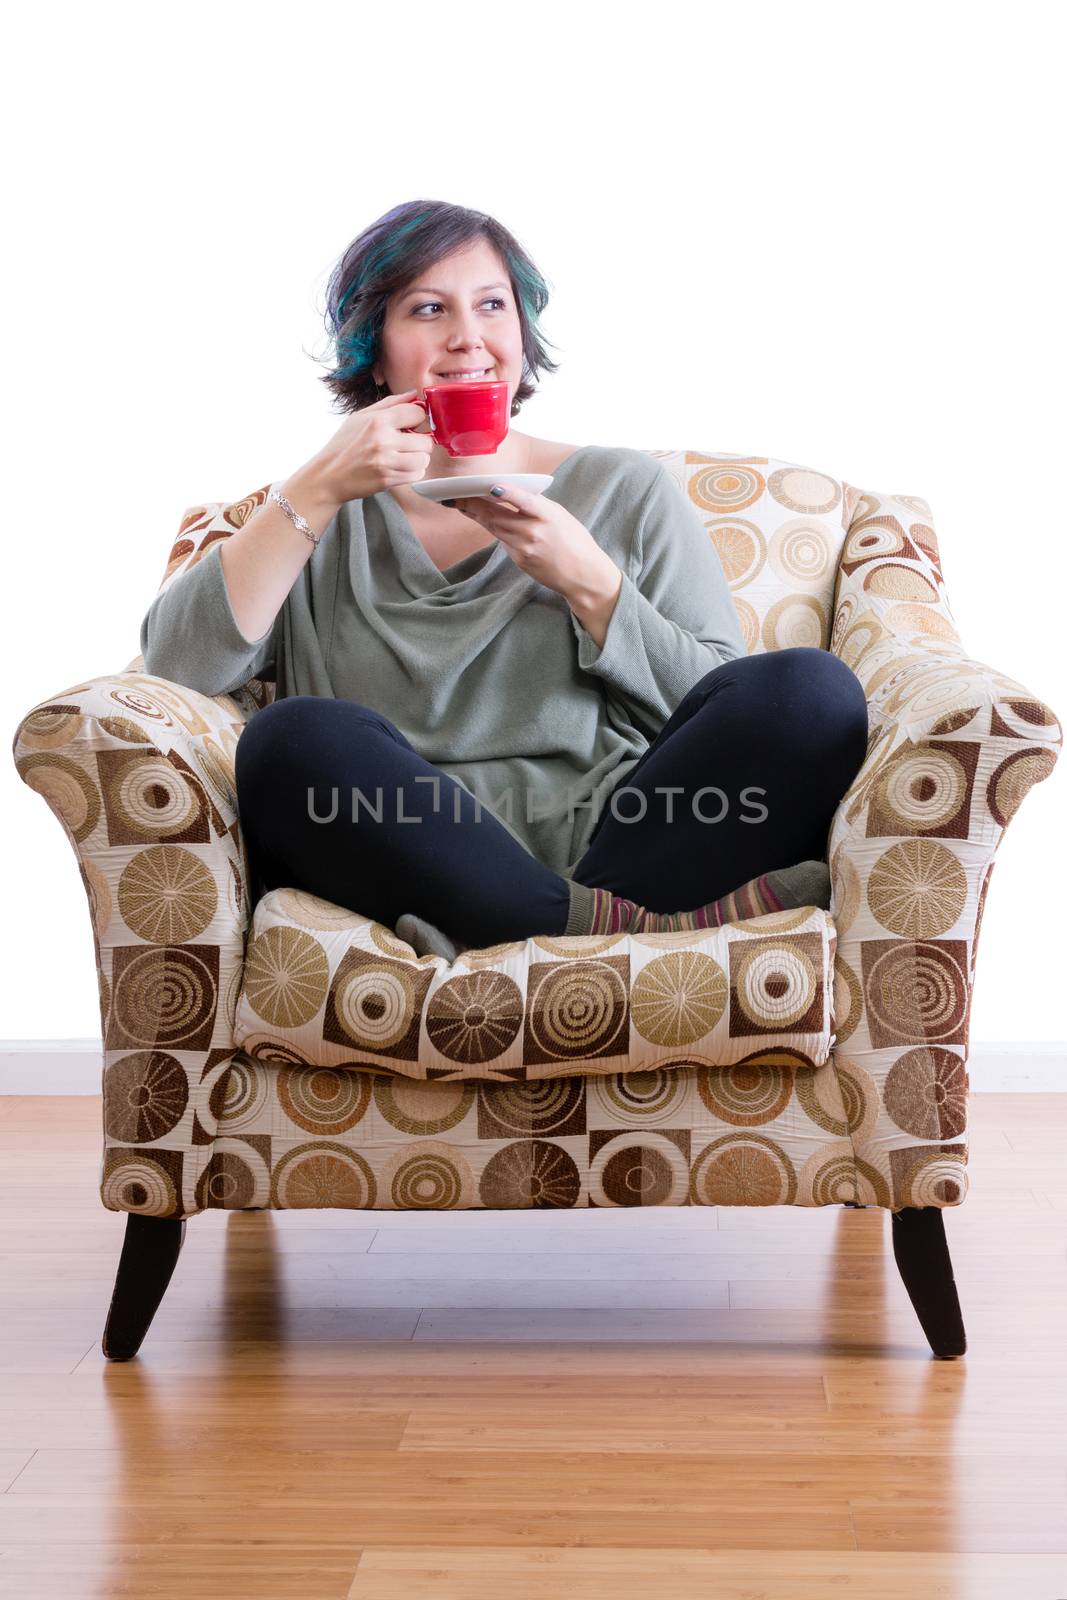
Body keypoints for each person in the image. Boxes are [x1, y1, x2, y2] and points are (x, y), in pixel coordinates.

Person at [140, 199, 870, 962]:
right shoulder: (313, 516)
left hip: (633, 838)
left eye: (492, 305)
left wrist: (591, 585)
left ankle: (514, 924)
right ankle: (597, 931)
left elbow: (727, 710)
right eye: (428, 309)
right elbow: (179, 670)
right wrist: (319, 487)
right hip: (404, 843)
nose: (468, 337)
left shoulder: (621, 487)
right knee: (288, 740)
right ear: (375, 352)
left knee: (810, 690)